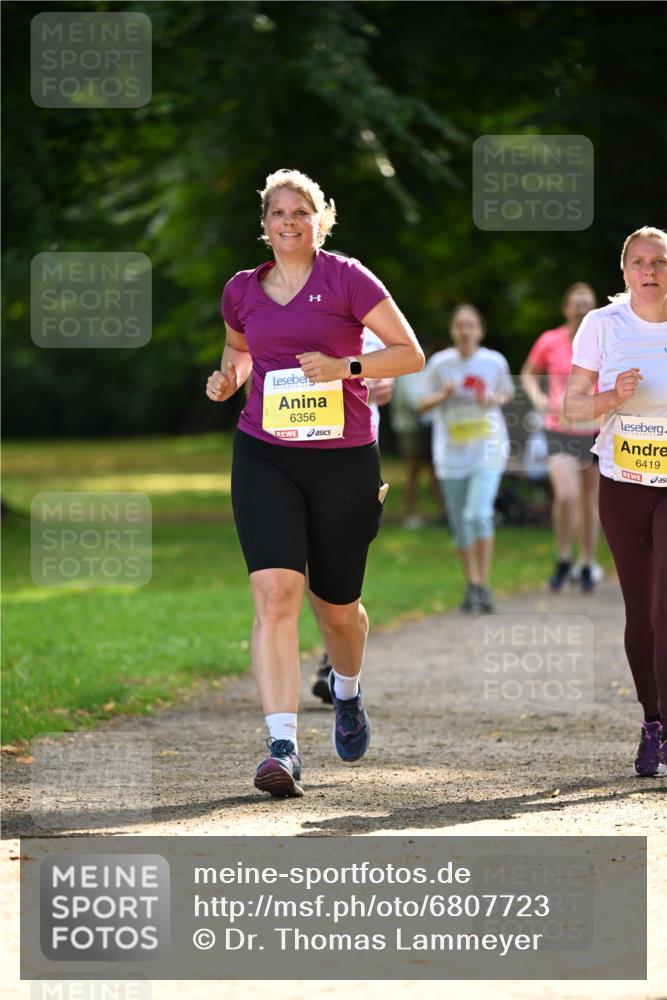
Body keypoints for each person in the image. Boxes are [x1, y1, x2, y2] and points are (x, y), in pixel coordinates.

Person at [206, 169, 424, 797]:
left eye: (300, 211)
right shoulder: (242, 289)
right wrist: (228, 379)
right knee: (275, 594)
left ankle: (349, 693)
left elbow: (409, 354)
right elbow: (238, 350)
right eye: (278, 212)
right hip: (264, 454)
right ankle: (282, 747)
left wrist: (344, 367)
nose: (289, 221)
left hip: (344, 460)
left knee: (338, 609)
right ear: (265, 225)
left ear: (319, 220)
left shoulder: (347, 278)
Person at [563, 226, 667, 778]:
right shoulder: (602, 326)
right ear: (624, 272)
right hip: (623, 481)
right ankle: (652, 720)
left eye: (660, 262)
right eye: (640, 263)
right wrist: (612, 396)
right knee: (641, 613)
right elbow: (571, 409)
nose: (650, 271)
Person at [417, 304, 514, 613]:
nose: (465, 331)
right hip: (450, 453)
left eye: (471, 325)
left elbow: (507, 394)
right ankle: (472, 584)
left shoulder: (493, 361)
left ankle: (483, 583)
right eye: (459, 325)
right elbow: (420, 404)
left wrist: (492, 398)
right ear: (452, 331)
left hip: (488, 447)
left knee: (478, 514)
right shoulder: (440, 364)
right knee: (460, 524)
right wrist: (443, 395)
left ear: (480, 331)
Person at [521, 284, 603, 593]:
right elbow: (528, 372)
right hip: (558, 427)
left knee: (587, 502)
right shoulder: (550, 340)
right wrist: (538, 398)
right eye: (576, 304)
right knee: (566, 496)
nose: (581, 310)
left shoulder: (603, 340)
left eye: (586, 304)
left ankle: (587, 563)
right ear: (566, 307)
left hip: (594, 430)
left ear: (594, 308)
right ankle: (564, 557)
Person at [389, 369, 447, 529]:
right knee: (414, 470)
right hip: (411, 427)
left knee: (434, 470)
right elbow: (414, 401)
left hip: (424, 426)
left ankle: (445, 512)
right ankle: (410, 513)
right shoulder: (407, 370)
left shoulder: (422, 369)